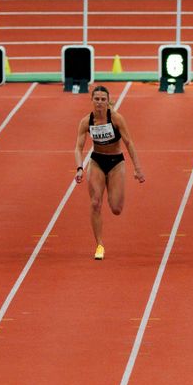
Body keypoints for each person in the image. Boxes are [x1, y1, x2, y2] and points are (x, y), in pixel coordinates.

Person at [73, 84, 145, 259]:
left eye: (103, 100)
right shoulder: (86, 121)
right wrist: (80, 168)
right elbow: (78, 147)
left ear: (108, 101)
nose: (99, 103)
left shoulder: (116, 119)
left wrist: (137, 169)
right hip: (97, 161)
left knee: (116, 208)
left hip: (115, 162)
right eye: (96, 99)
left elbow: (129, 143)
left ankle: (113, 192)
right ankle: (99, 245)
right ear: (92, 101)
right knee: (95, 203)